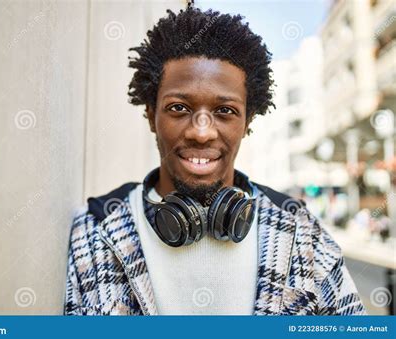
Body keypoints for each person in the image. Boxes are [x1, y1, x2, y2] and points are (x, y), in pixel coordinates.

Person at [64, 7, 366, 315]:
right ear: (151, 116)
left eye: (225, 111)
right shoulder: (96, 232)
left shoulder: (301, 232)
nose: (202, 132)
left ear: (248, 121)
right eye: (179, 108)